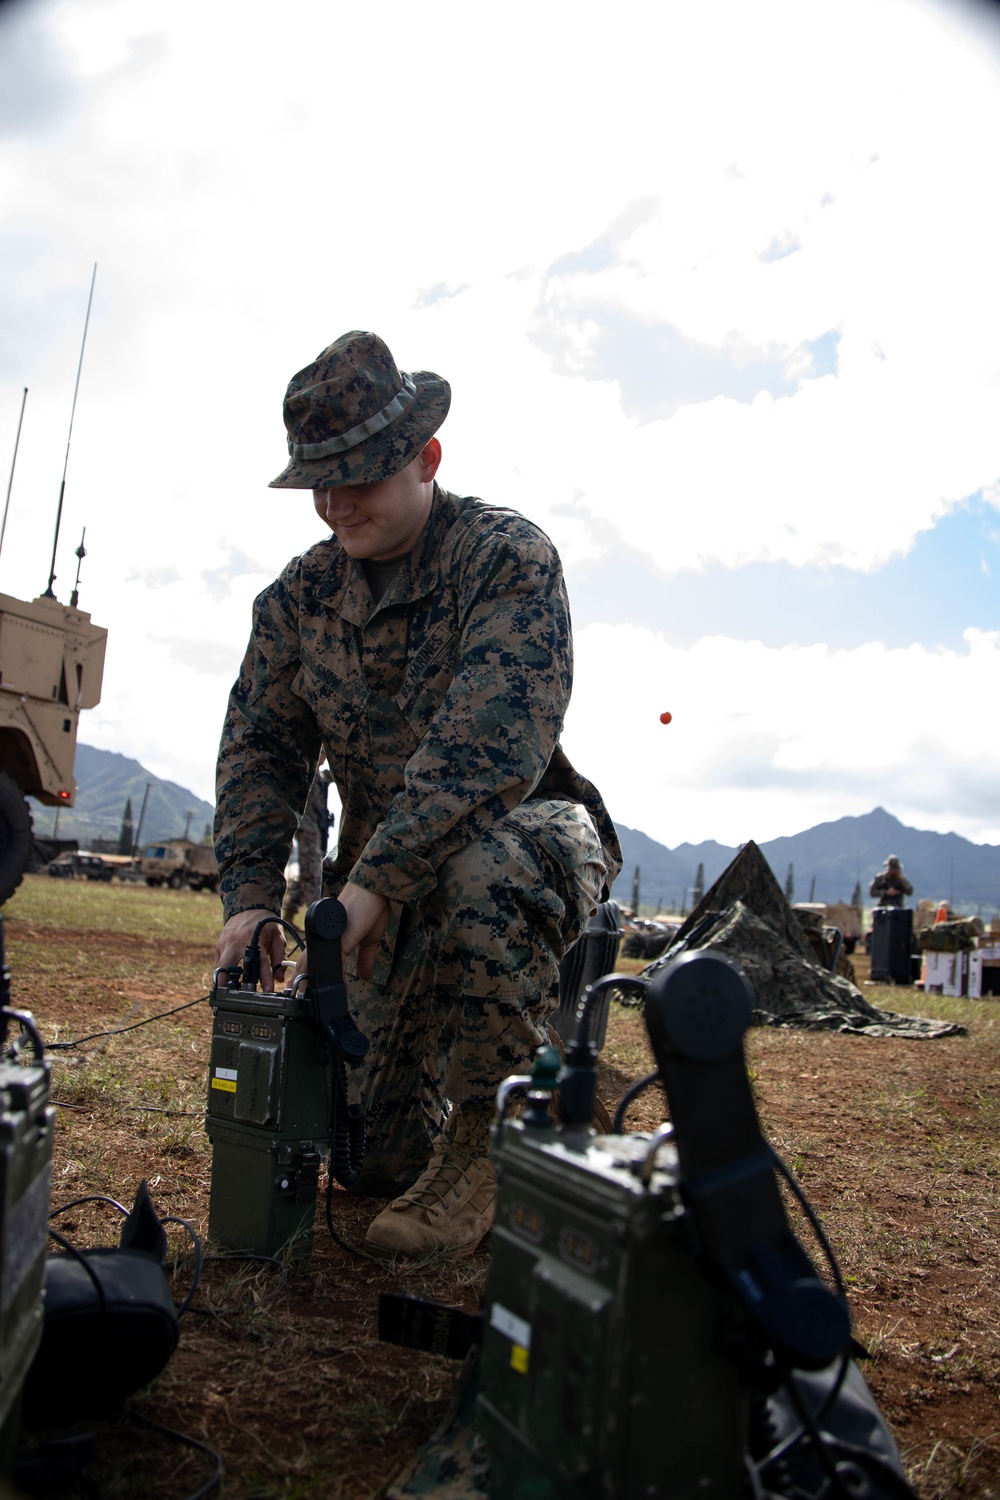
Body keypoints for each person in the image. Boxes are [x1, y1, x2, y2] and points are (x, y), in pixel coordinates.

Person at [213, 331, 621, 1258]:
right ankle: (520, 1091)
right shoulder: (298, 601)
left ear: (427, 456)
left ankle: (493, 1138)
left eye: (358, 474)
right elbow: (260, 748)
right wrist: (248, 897)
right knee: (372, 1161)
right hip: (381, 891)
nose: (336, 501)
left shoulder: (506, 559)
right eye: (319, 479)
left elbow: (487, 748)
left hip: (523, 840)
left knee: (484, 869)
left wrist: (376, 883)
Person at [281, 763, 332, 924]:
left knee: (305, 874)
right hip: (307, 827)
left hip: (313, 828)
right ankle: (319, 919)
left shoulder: (318, 774)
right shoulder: (307, 770)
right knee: (312, 874)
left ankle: (288, 915)